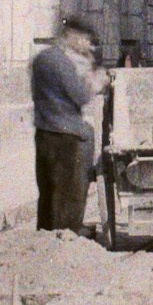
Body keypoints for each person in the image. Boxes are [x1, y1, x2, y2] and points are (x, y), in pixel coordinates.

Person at [31, 16, 105, 233]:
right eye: (83, 39)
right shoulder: (62, 62)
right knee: (68, 192)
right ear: (71, 36)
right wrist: (95, 82)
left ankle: (44, 236)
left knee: (47, 192)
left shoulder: (42, 59)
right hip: (66, 135)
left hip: (44, 131)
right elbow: (80, 96)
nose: (85, 45)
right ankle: (68, 235)